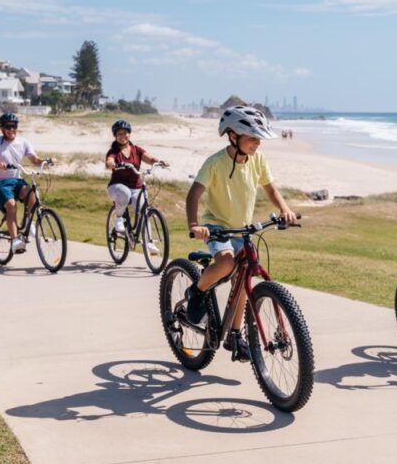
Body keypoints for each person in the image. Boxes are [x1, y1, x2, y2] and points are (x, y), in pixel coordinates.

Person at [185, 105, 297, 361]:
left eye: (259, 138)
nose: (257, 143)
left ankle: (235, 333)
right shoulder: (215, 163)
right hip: (217, 227)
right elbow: (194, 195)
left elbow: (271, 190)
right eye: (252, 138)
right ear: (233, 136)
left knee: (245, 276)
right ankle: (198, 291)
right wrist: (194, 225)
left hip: (243, 229)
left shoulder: (258, 160)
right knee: (225, 263)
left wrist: (285, 209)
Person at [0, 112, 55, 253]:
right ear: (2, 129)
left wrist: (47, 161)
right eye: (8, 127)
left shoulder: (23, 142)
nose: (12, 130)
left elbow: (35, 160)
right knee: (11, 205)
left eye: (14, 126)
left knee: (32, 194)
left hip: (16, 180)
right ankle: (16, 240)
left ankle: (29, 222)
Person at [105, 119, 169, 254]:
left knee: (142, 211)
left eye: (125, 133)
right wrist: (112, 164)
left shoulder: (136, 150)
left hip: (136, 187)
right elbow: (109, 161)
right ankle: (118, 218)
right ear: (115, 136)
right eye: (120, 133)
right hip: (117, 186)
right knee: (125, 193)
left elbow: (149, 158)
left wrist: (160, 162)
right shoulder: (114, 152)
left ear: (129, 134)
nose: (123, 136)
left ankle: (148, 242)